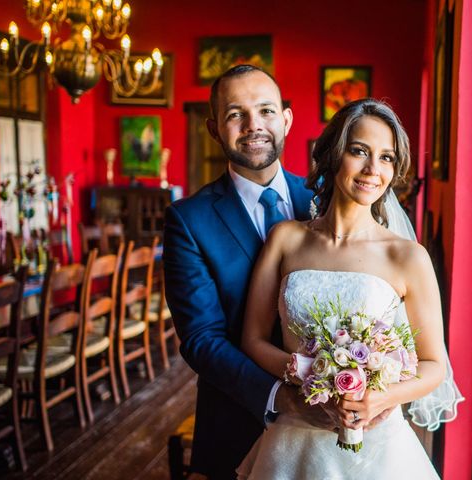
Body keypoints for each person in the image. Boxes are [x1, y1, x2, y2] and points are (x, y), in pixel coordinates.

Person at [237, 98, 448, 478]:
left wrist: (380, 398)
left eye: (386, 158)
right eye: (359, 151)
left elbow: (435, 366)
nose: (373, 170)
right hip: (295, 437)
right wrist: (306, 375)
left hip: (377, 448)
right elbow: (252, 338)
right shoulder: (286, 239)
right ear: (334, 156)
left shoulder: (408, 257)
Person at [163, 65, 336, 479]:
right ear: (214, 128)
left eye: (266, 110)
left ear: (287, 119)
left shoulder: (327, 201)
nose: (253, 125)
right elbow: (202, 339)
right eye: (235, 114)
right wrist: (282, 397)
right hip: (236, 421)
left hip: (333, 424)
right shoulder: (189, 220)